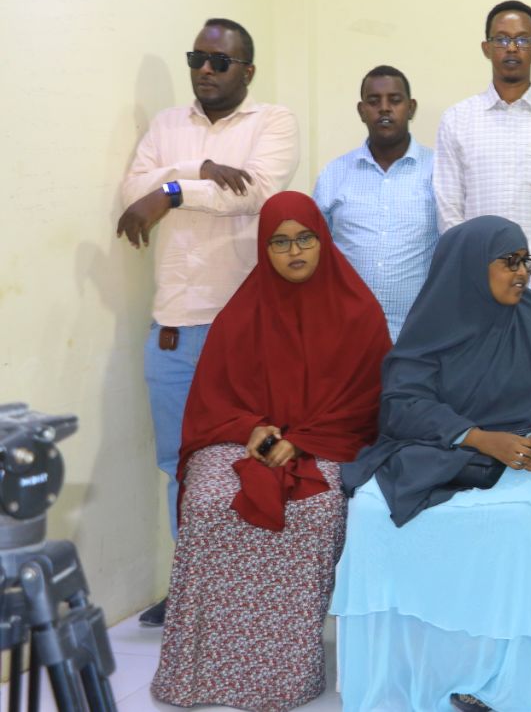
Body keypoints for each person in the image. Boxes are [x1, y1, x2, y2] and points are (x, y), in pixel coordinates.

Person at [332, 216, 531, 712]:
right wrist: (477, 437)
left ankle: (492, 682)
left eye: (524, 260)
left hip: (518, 467)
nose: (521, 272)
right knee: (370, 514)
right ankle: (400, 678)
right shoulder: (433, 325)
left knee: (521, 524)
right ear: (470, 268)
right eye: (508, 261)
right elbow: (401, 405)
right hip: (434, 452)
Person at [150, 191, 389, 711]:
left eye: (305, 238)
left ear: (322, 241)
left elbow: (368, 405)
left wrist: (301, 440)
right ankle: (203, 672)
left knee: (318, 506)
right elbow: (213, 398)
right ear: (265, 249)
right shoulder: (242, 313)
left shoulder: (359, 311)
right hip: (243, 439)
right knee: (209, 500)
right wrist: (254, 429)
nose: (294, 251)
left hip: (326, 440)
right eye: (280, 243)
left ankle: (283, 676)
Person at [116, 17, 300, 626]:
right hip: (171, 331)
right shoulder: (167, 125)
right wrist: (198, 171)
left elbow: (249, 192)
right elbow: (129, 193)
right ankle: (193, 588)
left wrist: (167, 195)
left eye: (220, 61)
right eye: (198, 57)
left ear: (248, 70)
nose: (205, 69)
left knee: (251, 462)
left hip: (245, 332)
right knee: (181, 469)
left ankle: (247, 591)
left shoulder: (273, 122)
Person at [434, 0, 531, 330]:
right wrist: (488, 265)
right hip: (478, 285)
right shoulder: (457, 120)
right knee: (480, 377)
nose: (512, 48)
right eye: (502, 39)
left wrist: (522, 261)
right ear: (486, 48)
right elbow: (449, 210)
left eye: (523, 39)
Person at [314, 64, 439, 341]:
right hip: (348, 334)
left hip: (419, 336)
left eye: (395, 100)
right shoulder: (334, 174)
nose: (384, 109)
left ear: (411, 107)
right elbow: (316, 253)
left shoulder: (439, 171)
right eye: (374, 102)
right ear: (361, 111)